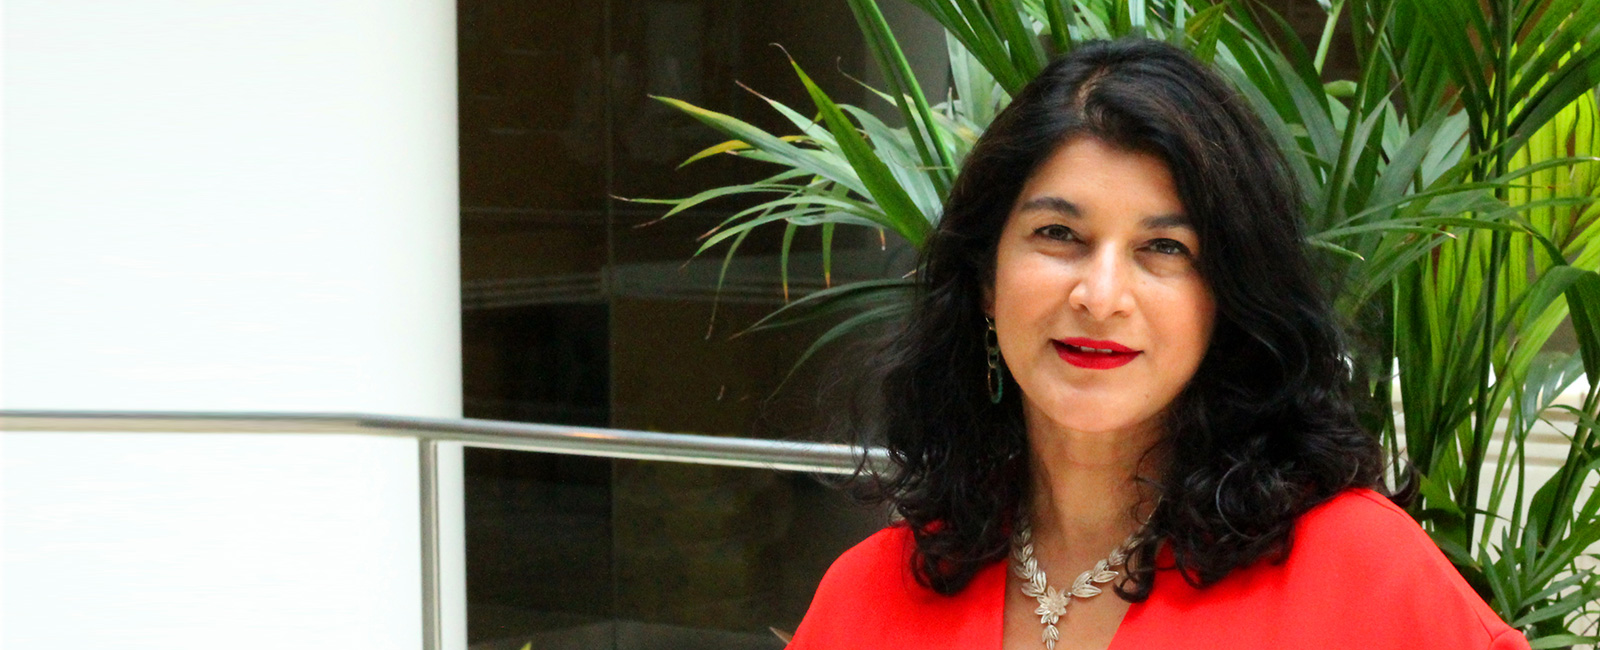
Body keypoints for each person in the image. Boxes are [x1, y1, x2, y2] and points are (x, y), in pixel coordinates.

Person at [786, 38, 1530, 650]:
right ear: (986, 278)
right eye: (1059, 234)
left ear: (1226, 295)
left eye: (1165, 248)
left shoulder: (1364, 577)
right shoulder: (871, 594)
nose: (1101, 295)